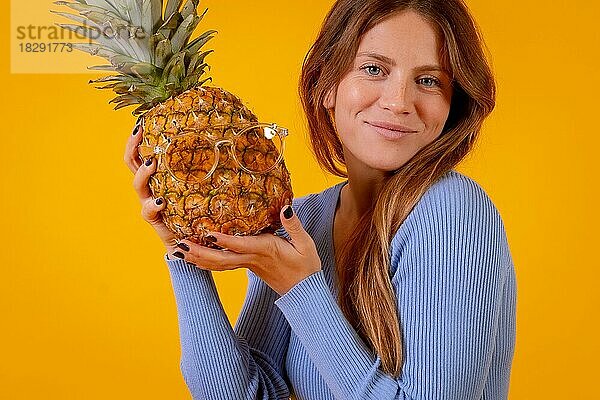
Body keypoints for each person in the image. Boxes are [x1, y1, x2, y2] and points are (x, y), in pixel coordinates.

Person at [124, 0, 516, 398]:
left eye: (429, 80)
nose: (399, 102)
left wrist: (301, 288)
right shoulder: (306, 217)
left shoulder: (455, 211)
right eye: (374, 69)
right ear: (326, 85)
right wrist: (181, 246)